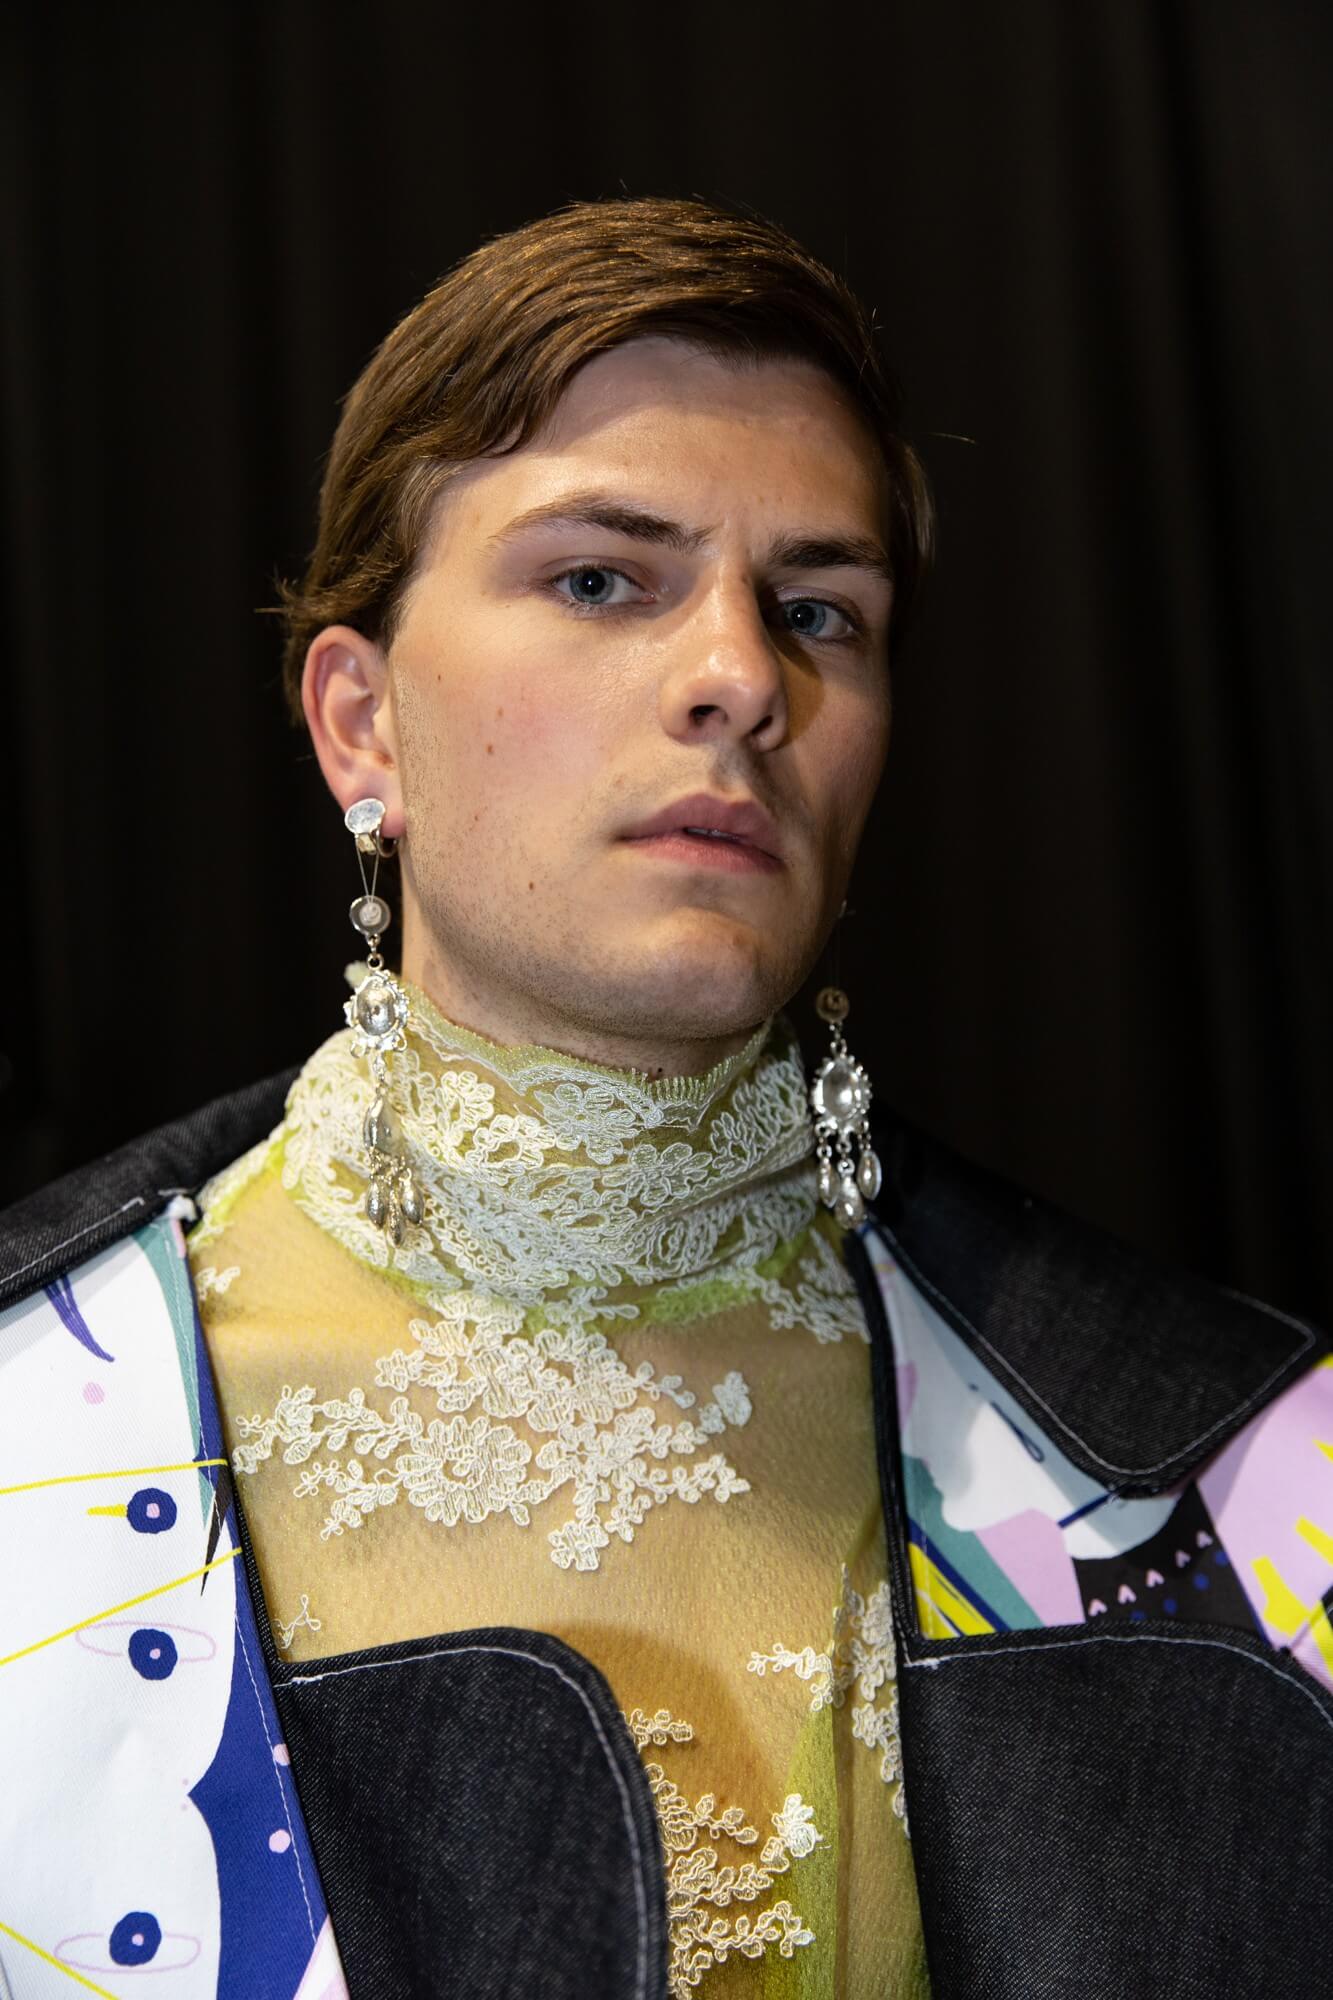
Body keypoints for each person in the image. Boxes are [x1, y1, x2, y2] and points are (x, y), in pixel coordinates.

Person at [1, 197, 1329, 2000]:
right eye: (600, 581)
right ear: (360, 723)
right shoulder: (34, 1418)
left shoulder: (1259, 1486)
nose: (739, 679)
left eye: (819, 611)